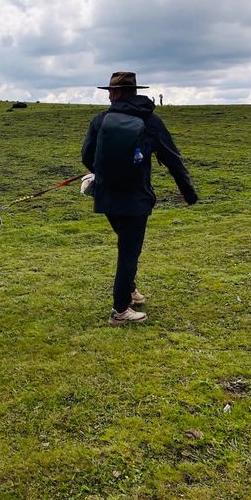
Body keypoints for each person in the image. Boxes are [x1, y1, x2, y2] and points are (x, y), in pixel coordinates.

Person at [81, 72, 198, 326]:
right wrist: (188, 193)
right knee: (128, 253)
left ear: (119, 93)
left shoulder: (100, 120)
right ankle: (120, 311)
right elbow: (172, 159)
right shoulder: (151, 121)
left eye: (111, 91)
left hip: (106, 198)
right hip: (136, 199)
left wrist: (106, 172)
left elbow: (86, 157)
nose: (109, 95)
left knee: (126, 246)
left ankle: (130, 289)